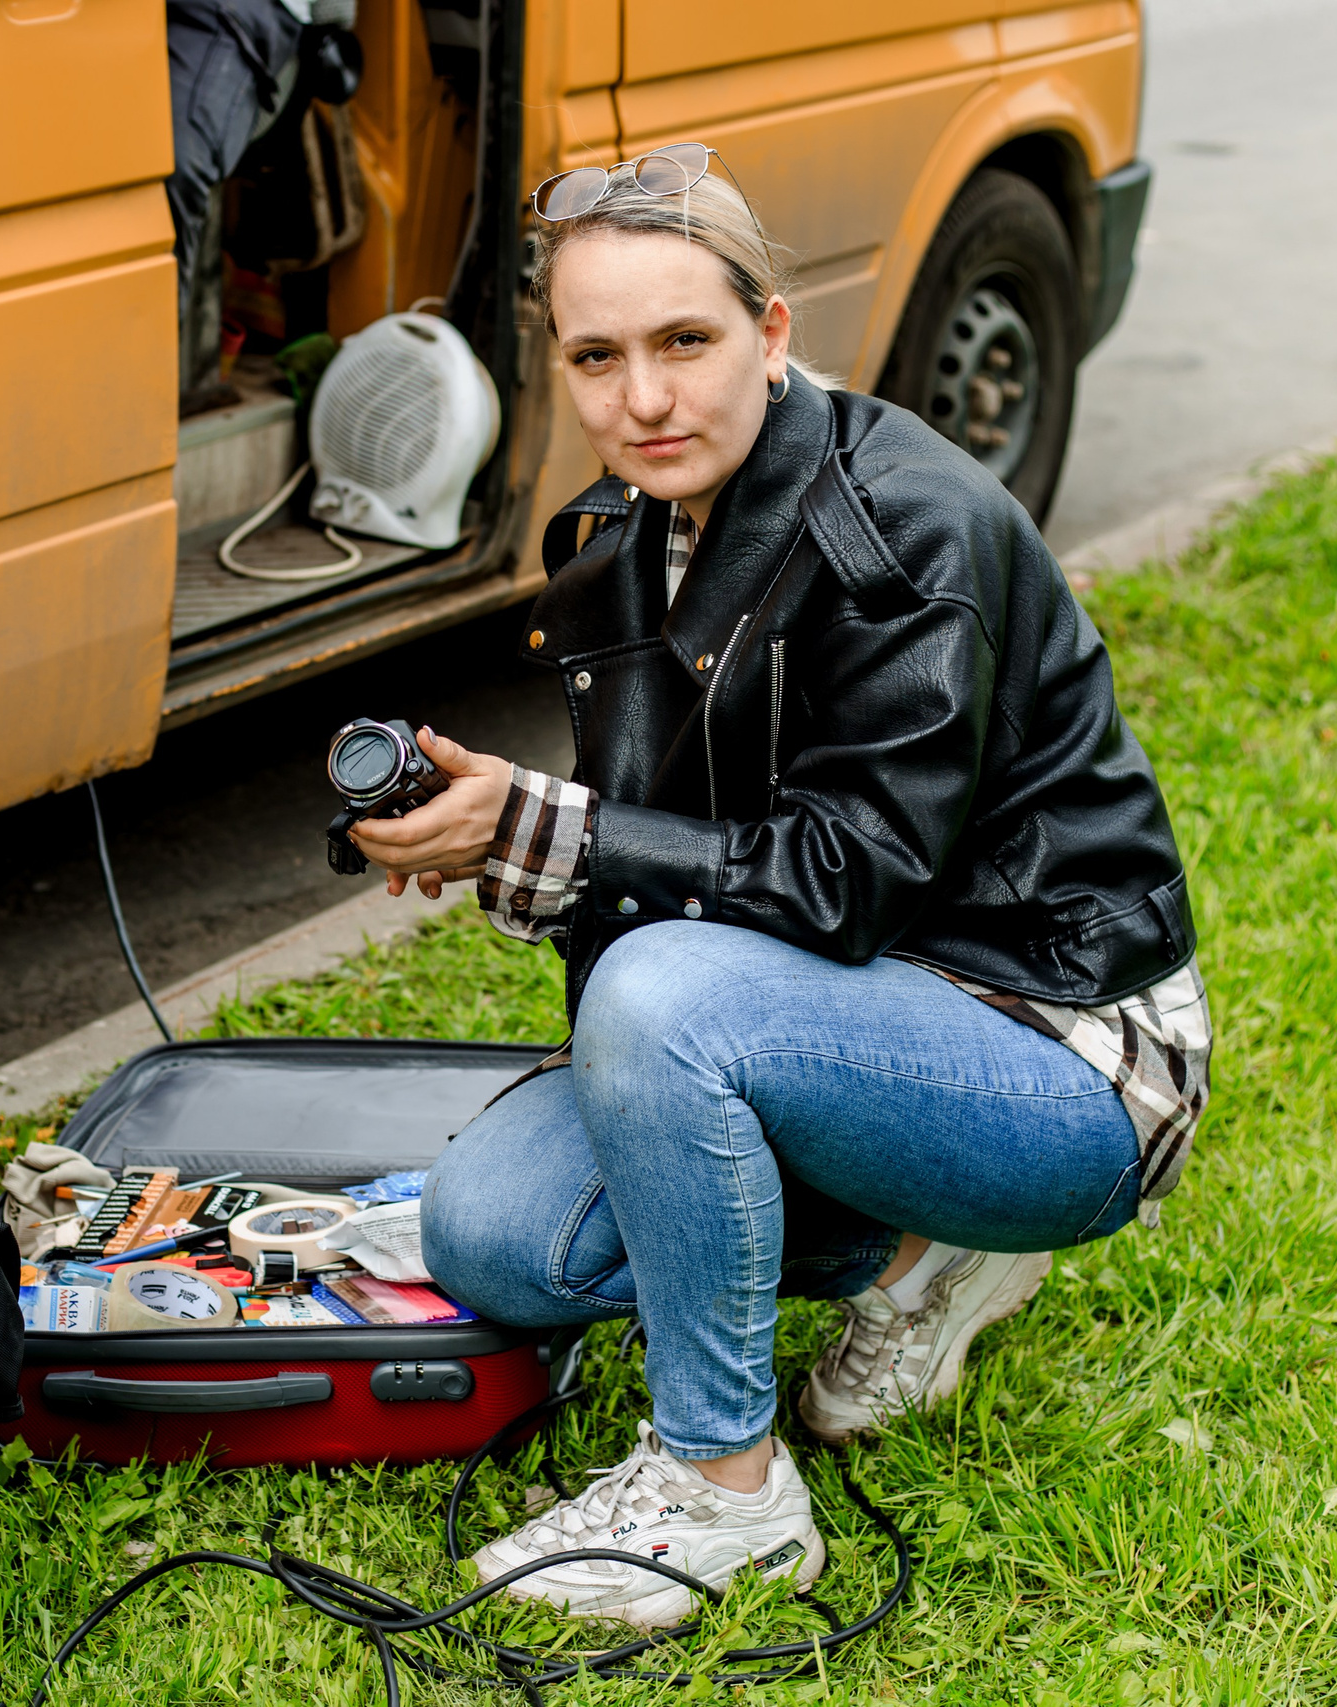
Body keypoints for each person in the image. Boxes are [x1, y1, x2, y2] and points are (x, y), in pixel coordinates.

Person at [345, 146, 1211, 1628]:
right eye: (598, 357)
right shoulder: (623, 541)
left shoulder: (909, 533)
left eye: (688, 341)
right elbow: (679, 862)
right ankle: (923, 1249)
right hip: (846, 1019)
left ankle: (723, 1493)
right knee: (491, 1231)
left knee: (663, 999)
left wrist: (556, 831)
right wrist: (499, 842)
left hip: (1058, 1053)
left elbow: (834, 887)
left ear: (774, 335)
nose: (646, 399)